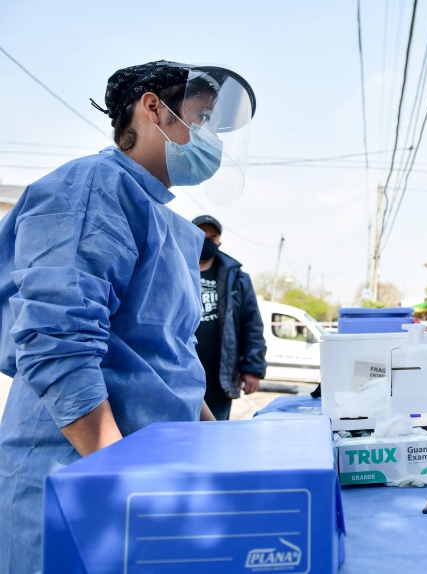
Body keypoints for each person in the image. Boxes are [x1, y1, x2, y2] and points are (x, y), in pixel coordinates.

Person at [0, 60, 256, 572]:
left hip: (143, 480)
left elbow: (172, 362)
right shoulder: (93, 186)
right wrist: (121, 481)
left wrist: (222, 449)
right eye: (202, 117)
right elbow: (59, 344)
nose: (212, 139)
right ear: (152, 107)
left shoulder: (170, 224)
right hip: (82, 480)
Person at [192, 214, 267, 420]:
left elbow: (252, 324)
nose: (206, 241)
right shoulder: (173, 269)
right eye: (200, 235)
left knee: (214, 435)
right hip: (182, 372)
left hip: (220, 375)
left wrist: (253, 369)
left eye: (212, 237)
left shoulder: (237, 278)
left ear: (219, 241)